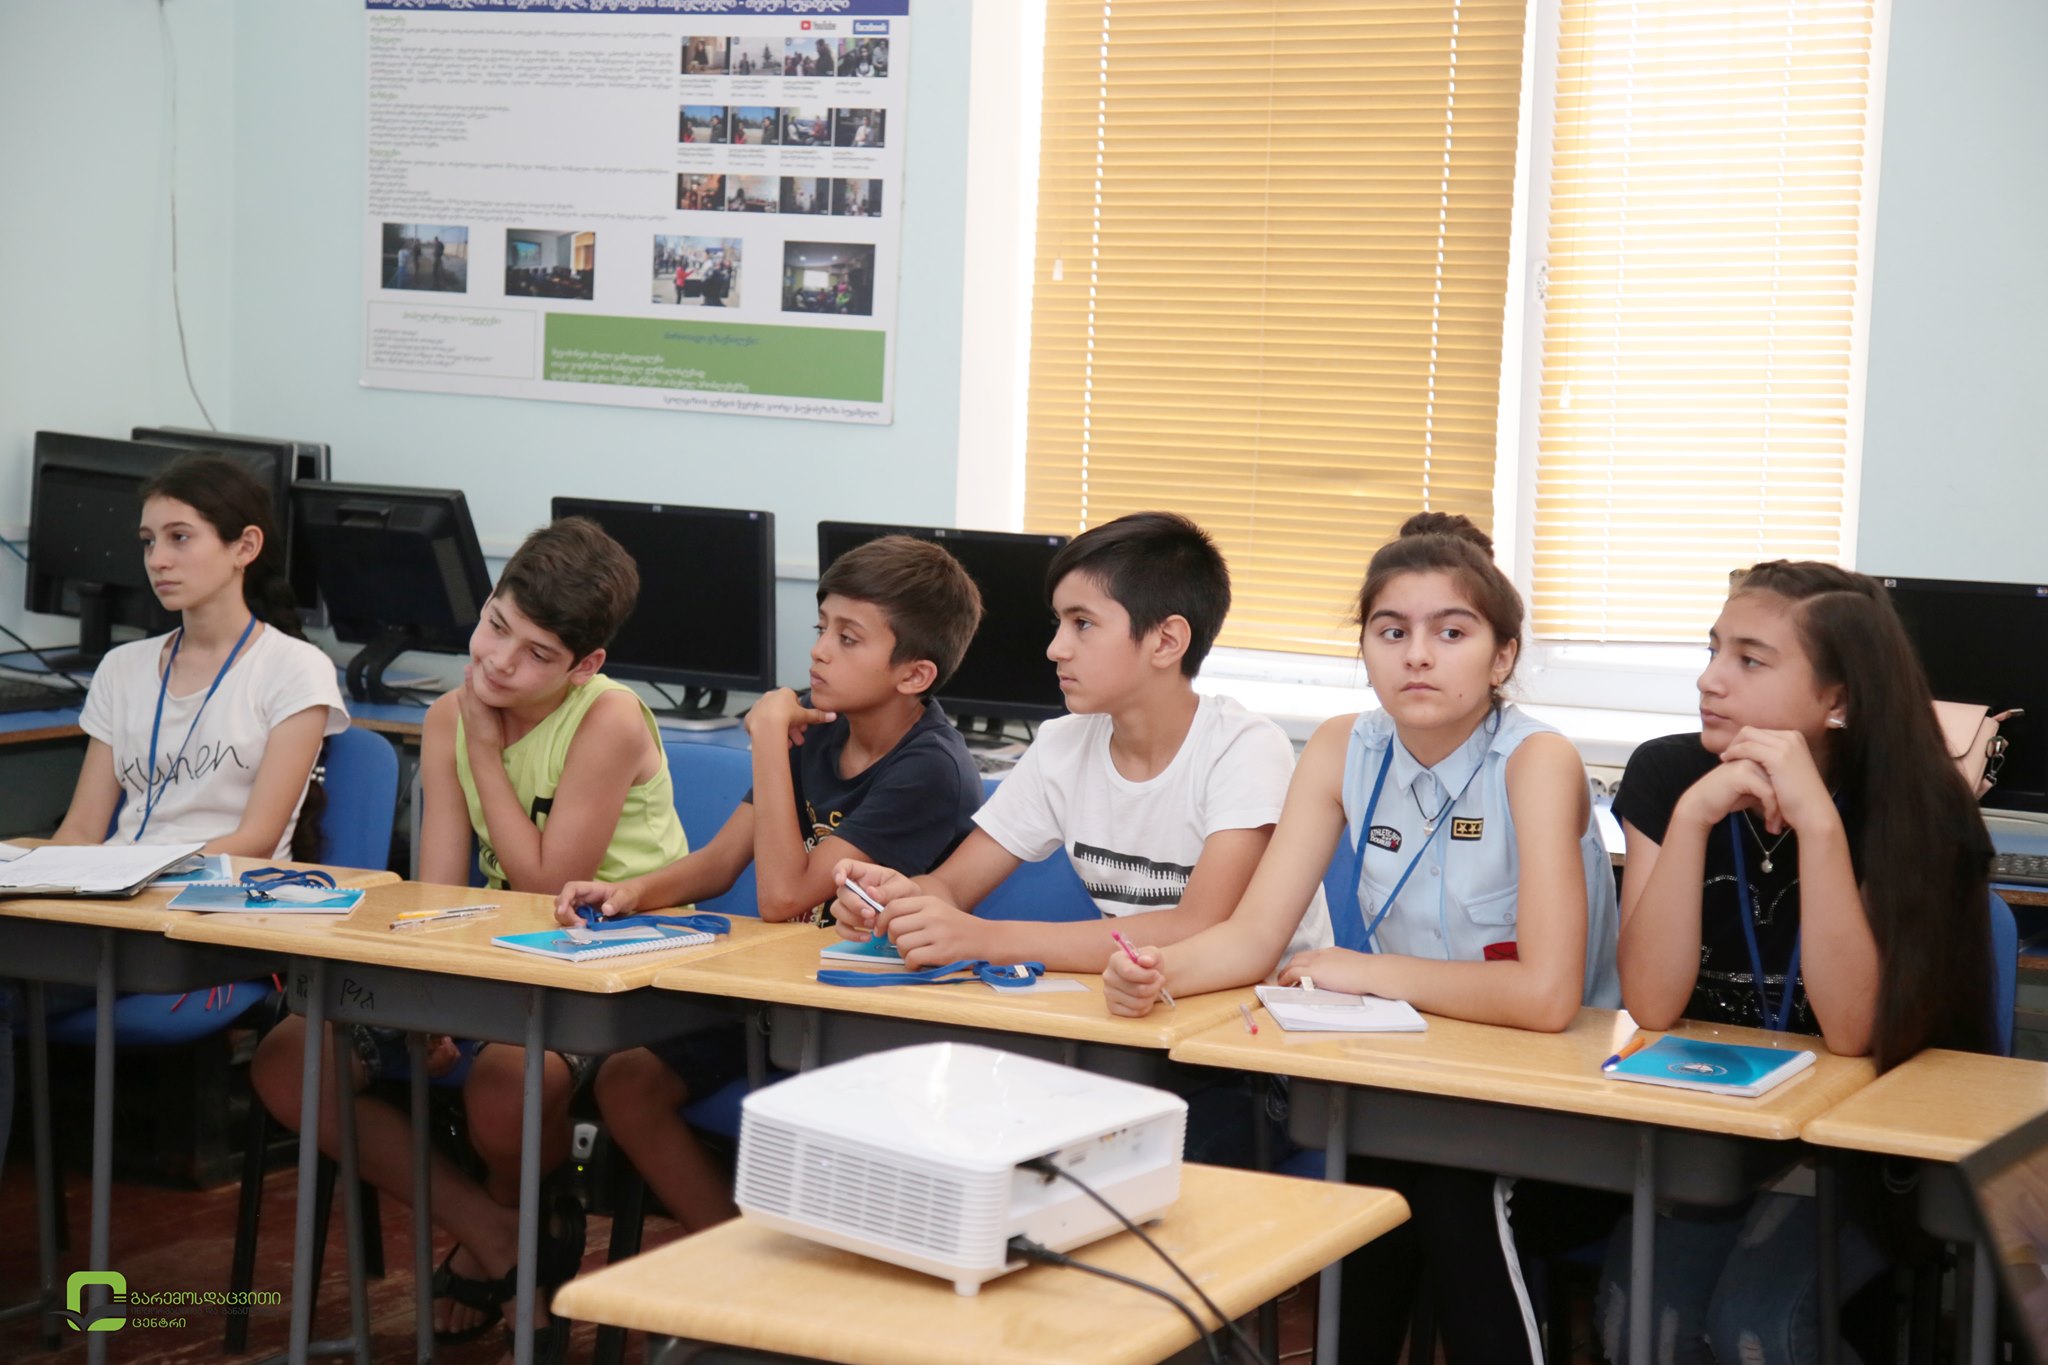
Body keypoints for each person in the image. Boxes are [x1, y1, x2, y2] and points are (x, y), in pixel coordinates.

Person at [1098, 511, 1619, 1364]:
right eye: (1392, 631)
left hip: (1555, 1112)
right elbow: (1255, 934)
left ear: (1502, 658)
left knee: (1446, 1190)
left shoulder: (1537, 760)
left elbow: (1547, 996)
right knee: (1369, 1192)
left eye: (1451, 632)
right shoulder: (1344, 745)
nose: (1418, 655)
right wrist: (1159, 972)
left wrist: (1370, 971)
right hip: (1410, 1091)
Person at [253, 517, 684, 1360]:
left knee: (502, 1084)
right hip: (492, 957)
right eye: (496, 626)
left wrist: (484, 749)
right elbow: (441, 891)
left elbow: (548, 885)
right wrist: (427, 1002)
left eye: (536, 654)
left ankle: (531, 1221)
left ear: (585, 664)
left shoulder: (610, 718)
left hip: (612, 963)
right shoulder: (454, 712)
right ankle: (497, 1235)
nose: (499, 662)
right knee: (288, 1058)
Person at [1596, 560, 1997, 1365]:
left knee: (1758, 1331)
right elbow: (1652, 1002)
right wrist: (1695, 814)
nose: (1710, 678)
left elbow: (1852, 1032)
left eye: (1750, 659)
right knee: (1642, 1329)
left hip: (1862, 1151)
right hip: (1715, 1129)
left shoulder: (1915, 804)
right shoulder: (1671, 773)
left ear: (1837, 698)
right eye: (1713, 649)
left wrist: (1817, 822)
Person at [555, 535, 985, 1232]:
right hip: (780, 998)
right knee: (628, 1081)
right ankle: (733, 1255)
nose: (818, 651)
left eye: (848, 638)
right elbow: (724, 859)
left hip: (871, 1016)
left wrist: (765, 739)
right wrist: (631, 893)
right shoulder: (818, 726)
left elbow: (783, 897)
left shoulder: (929, 767)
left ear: (914, 674)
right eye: (822, 628)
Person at [53, 454, 348, 860]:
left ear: (245, 547)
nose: (157, 560)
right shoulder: (121, 668)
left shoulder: (295, 668)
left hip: (227, 888)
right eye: (148, 541)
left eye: (180, 537)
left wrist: (138, 871)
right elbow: (81, 829)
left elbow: (257, 841)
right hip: (122, 884)